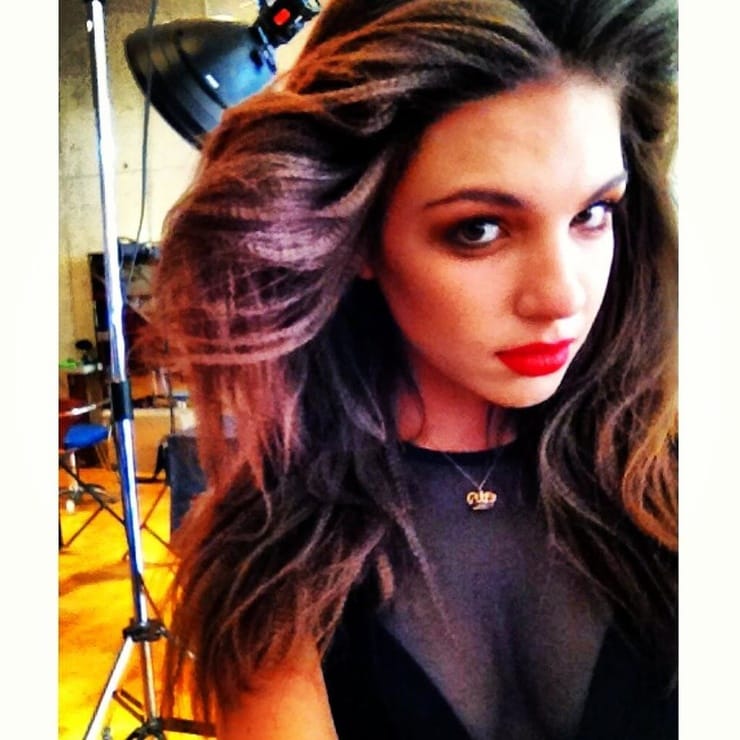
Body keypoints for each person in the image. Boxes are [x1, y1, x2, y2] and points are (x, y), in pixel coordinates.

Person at [151, 1, 678, 737]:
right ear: (361, 238)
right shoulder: (276, 552)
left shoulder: (674, 482)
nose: (562, 296)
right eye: (479, 229)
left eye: (592, 214)